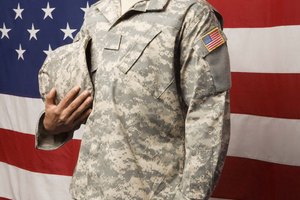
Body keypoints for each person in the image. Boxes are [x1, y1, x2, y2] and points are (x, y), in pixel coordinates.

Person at [36, 0, 231, 199]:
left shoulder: (192, 15)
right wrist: (50, 125)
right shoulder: (98, 13)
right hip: (89, 190)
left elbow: (208, 120)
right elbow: (77, 92)